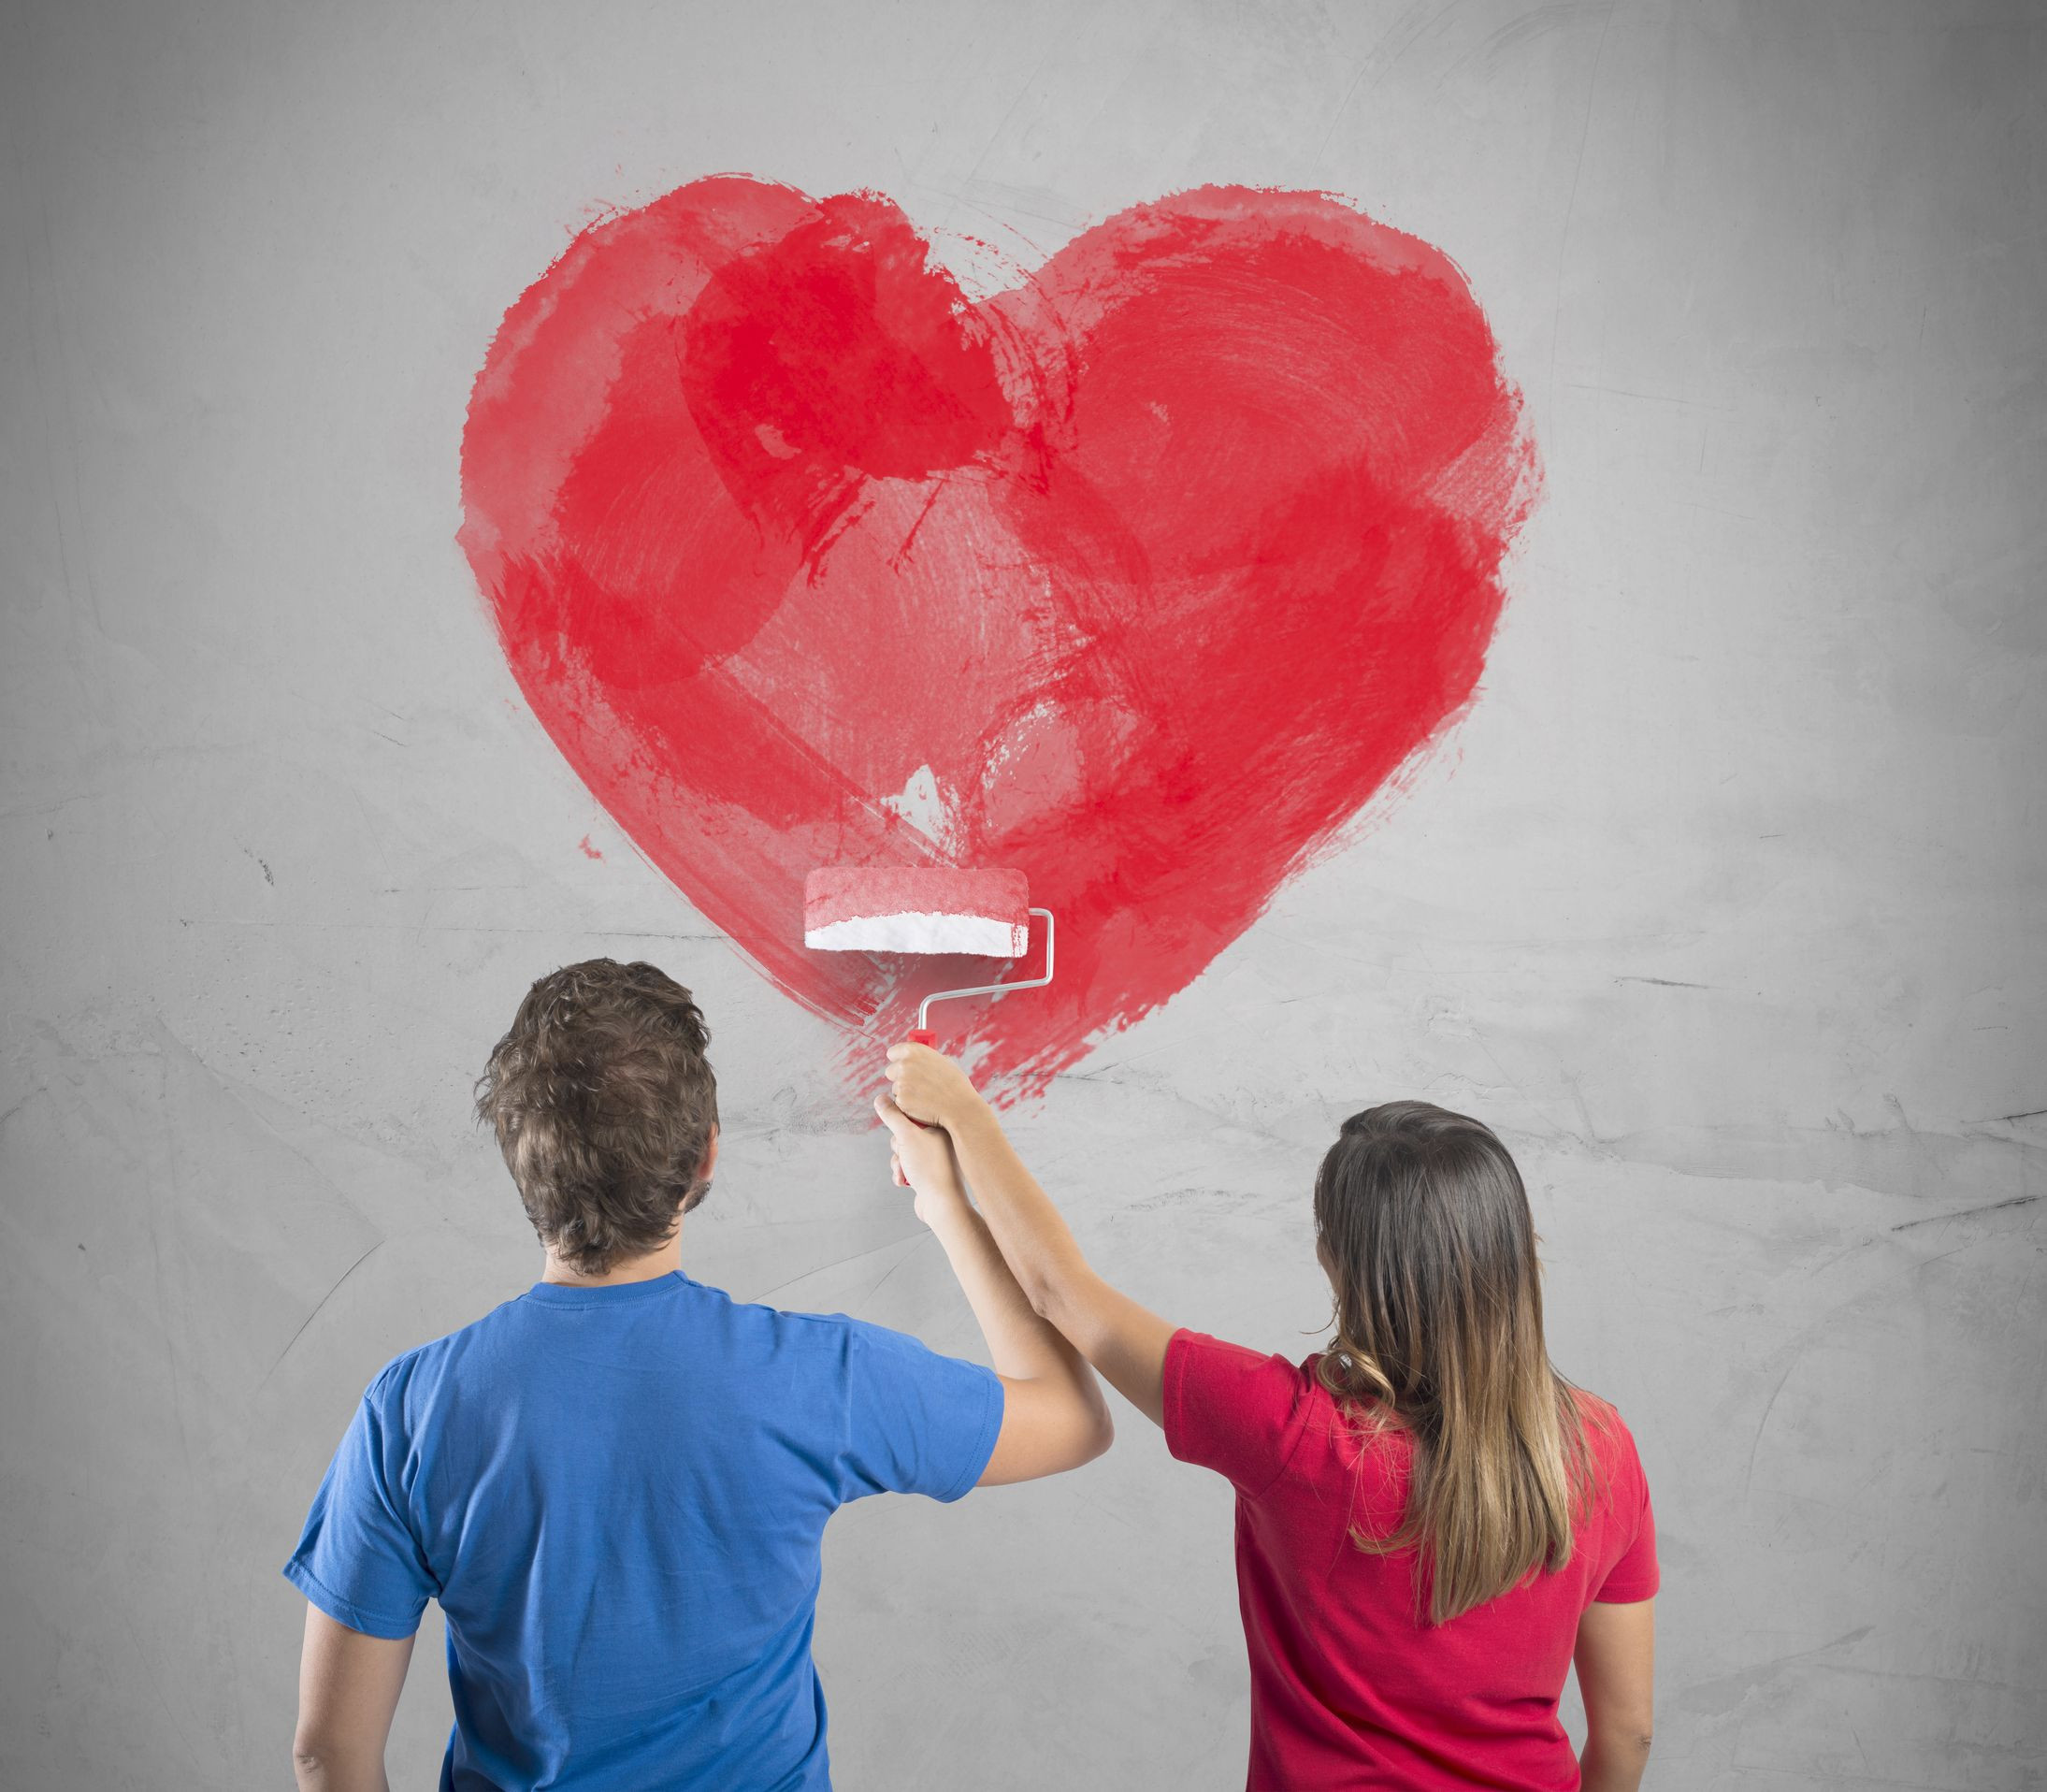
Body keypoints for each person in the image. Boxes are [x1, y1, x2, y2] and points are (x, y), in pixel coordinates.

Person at [284, 961, 1110, 1791]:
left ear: (516, 1158)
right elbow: (1072, 1419)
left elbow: (328, 1754)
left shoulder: (412, 1409)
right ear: (706, 1155)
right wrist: (945, 1202)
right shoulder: (816, 1377)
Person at [877, 1046, 1658, 1792]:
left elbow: (1060, 1292)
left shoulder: (1294, 1434)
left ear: (1332, 1260)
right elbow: (1627, 1734)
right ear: (1515, 1253)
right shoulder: (1603, 1450)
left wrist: (960, 1126)